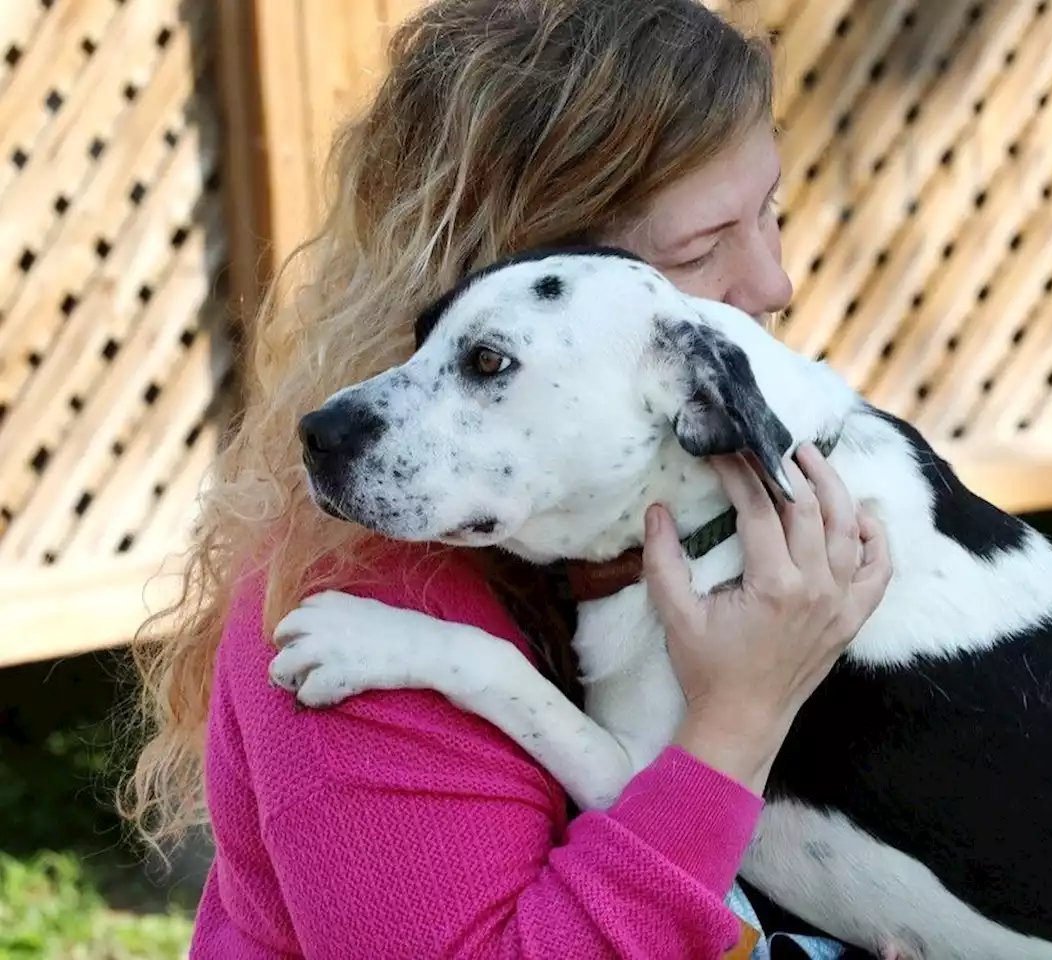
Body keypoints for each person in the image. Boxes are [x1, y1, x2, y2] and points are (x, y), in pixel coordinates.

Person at [121, 1, 893, 957]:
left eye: (770, 209)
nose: (774, 286)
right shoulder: (363, 598)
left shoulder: (678, 533)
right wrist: (736, 723)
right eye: (700, 249)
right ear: (516, 278)